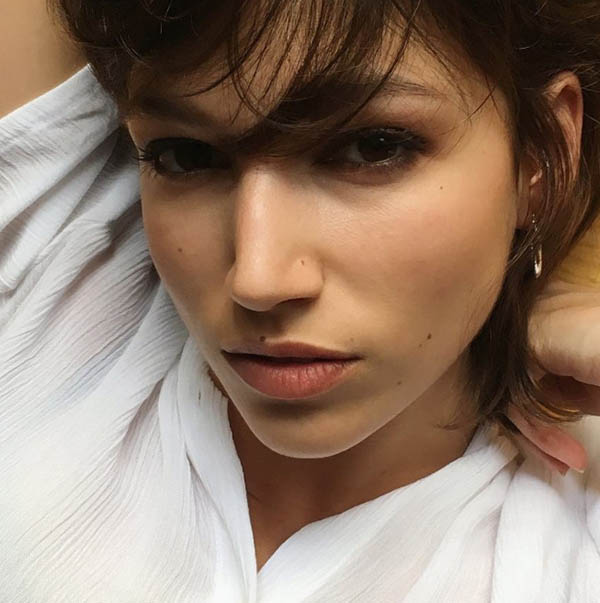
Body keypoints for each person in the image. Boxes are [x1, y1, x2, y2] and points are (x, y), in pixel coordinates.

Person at [1, 0, 599, 601]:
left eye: (372, 147)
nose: (256, 280)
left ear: (543, 156)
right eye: (184, 155)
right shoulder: (60, 272)